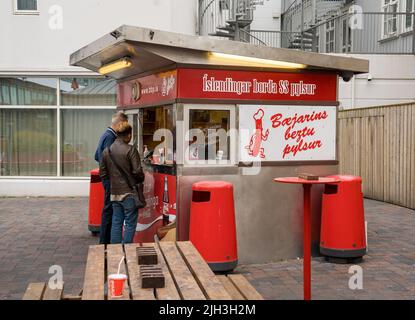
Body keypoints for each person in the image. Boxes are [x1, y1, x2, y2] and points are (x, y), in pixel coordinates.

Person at [99, 122, 145, 244]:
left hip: (114, 193)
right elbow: (138, 172)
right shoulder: (131, 150)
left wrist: (112, 184)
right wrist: (139, 180)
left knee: (116, 222)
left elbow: (103, 174)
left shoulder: (106, 151)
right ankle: (127, 250)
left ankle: (115, 251)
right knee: (130, 223)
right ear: (129, 135)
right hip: (129, 193)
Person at [94, 111, 128, 244]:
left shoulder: (105, 134)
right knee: (109, 211)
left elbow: (97, 156)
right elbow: (108, 158)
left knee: (109, 209)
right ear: (120, 124)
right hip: (110, 179)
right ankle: (105, 242)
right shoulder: (110, 137)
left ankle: (105, 241)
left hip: (107, 178)